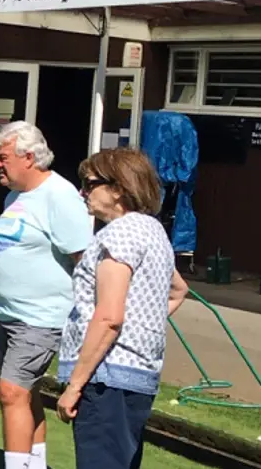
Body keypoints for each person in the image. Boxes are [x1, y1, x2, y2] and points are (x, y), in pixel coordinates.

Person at [57, 148, 188, 469]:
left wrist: (75, 385)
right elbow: (178, 290)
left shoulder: (119, 234)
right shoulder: (154, 231)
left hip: (106, 379)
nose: (82, 192)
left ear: (118, 189)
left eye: (89, 184)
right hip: (138, 377)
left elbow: (109, 317)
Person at [0, 121, 92, 469]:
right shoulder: (17, 195)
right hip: (10, 316)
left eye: (3, 158)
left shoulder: (60, 197)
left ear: (28, 157)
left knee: (11, 392)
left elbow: (86, 263)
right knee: (26, 393)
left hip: (41, 318)